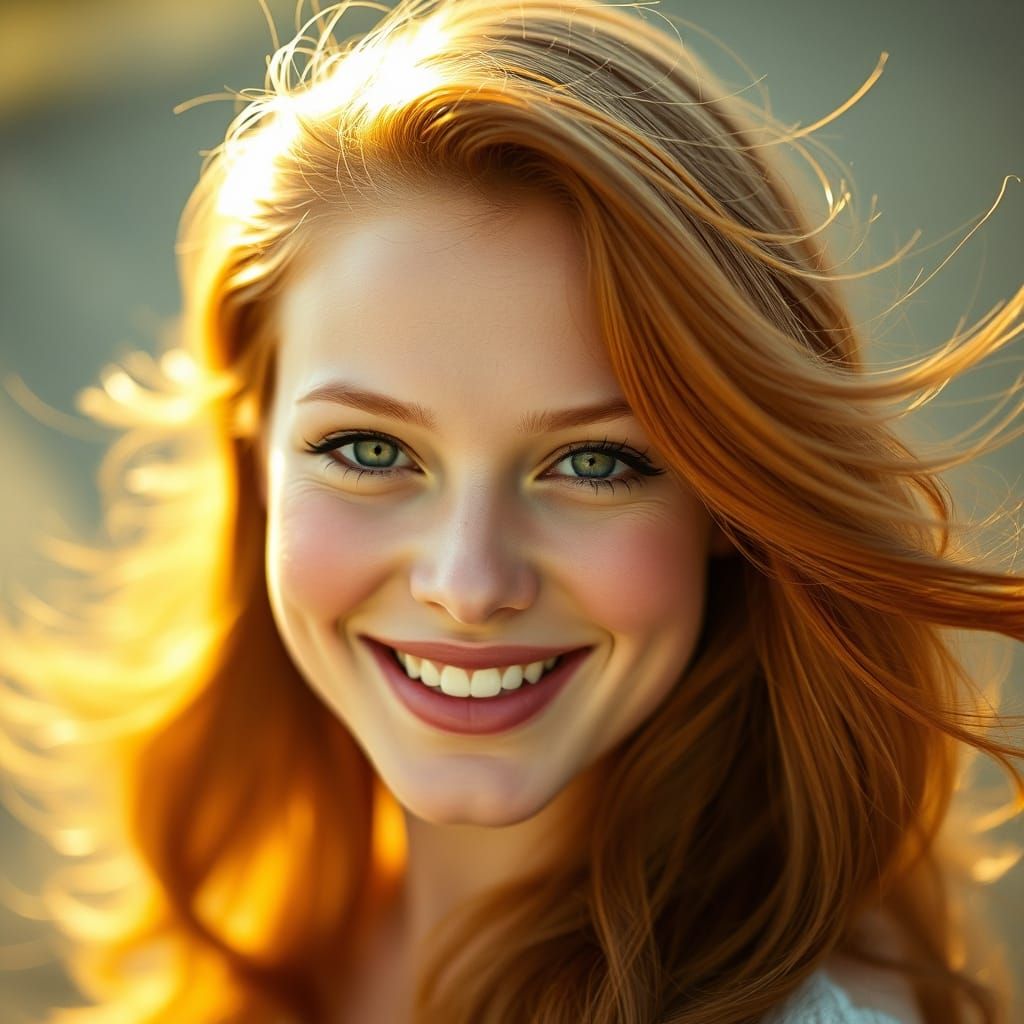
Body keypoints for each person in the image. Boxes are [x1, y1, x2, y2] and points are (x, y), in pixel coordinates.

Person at [1, 1, 1021, 1021]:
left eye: (593, 462)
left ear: (730, 501)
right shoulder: (267, 929)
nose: (469, 584)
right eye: (369, 450)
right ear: (254, 459)